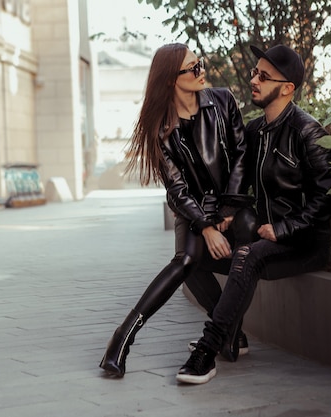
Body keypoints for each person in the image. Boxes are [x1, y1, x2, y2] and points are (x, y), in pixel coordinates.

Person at [176, 44, 331, 384]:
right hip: (264, 236)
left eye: (264, 76)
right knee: (190, 261)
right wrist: (224, 213)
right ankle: (232, 335)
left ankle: (207, 350)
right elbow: (236, 179)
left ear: (287, 88)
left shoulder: (306, 130)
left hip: (301, 242)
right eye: (254, 72)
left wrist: (285, 228)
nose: (254, 79)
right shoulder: (254, 132)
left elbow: (329, 197)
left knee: (245, 256)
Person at [99, 43, 257, 377]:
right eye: (193, 67)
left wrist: (227, 210)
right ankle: (122, 338)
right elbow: (177, 189)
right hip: (194, 209)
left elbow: (241, 155)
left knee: (240, 242)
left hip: (233, 204)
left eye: (201, 63)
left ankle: (227, 331)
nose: (202, 71)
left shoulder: (223, 100)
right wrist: (207, 226)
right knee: (188, 259)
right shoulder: (161, 128)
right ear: (172, 79)